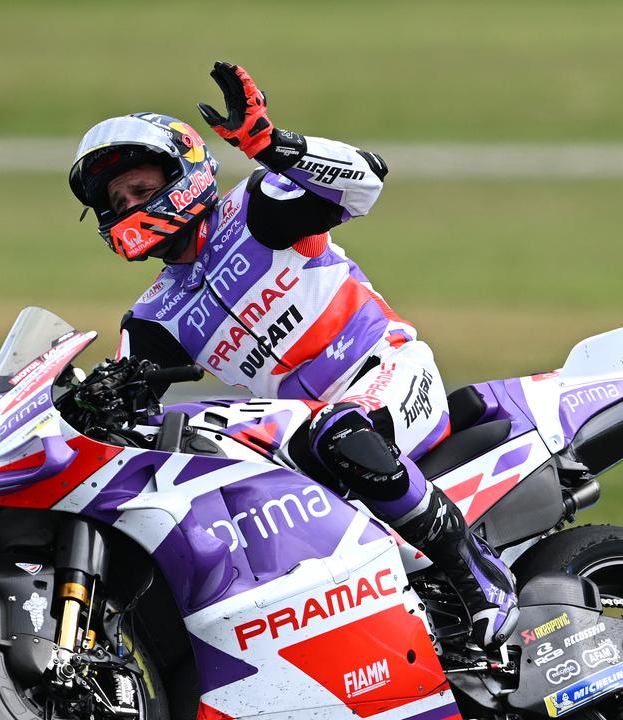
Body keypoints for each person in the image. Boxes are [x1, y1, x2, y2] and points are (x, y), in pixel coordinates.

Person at [68, 62, 518, 650]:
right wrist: (79, 402)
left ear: (184, 175)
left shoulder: (256, 209)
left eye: (143, 189)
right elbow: (133, 413)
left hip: (387, 372)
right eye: (118, 199)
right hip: (298, 430)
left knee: (336, 430)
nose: (129, 205)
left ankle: (479, 576)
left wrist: (274, 146)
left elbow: (366, 183)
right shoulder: (153, 316)